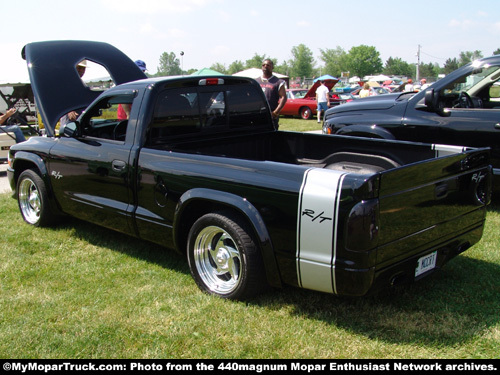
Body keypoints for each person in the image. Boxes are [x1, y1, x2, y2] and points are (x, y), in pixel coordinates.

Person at [255, 59, 287, 129]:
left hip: (271, 115)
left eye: (268, 65)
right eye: (263, 65)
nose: (265, 66)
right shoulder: (256, 81)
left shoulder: (278, 82)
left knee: (271, 137)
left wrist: (275, 112)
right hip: (258, 114)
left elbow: (284, 97)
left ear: (272, 67)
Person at [60, 60, 88, 126]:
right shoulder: (66, 82)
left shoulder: (83, 84)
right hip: (69, 120)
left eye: (83, 68)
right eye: (79, 68)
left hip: (79, 118)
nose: (81, 70)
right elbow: (61, 99)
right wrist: (69, 111)